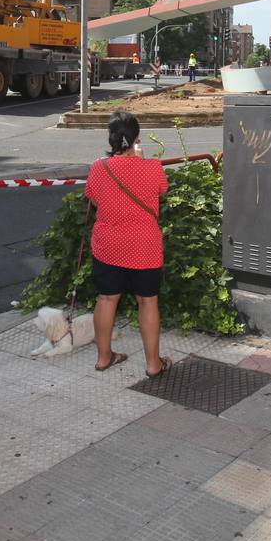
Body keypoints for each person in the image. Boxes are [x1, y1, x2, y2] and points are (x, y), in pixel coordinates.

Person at [86, 111, 171, 378]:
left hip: (108, 246)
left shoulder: (99, 168)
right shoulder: (153, 168)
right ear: (137, 138)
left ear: (111, 138)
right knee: (148, 302)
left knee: (106, 298)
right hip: (144, 247)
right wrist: (141, 160)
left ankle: (103, 358)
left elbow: (95, 201)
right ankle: (153, 364)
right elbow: (162, 192)